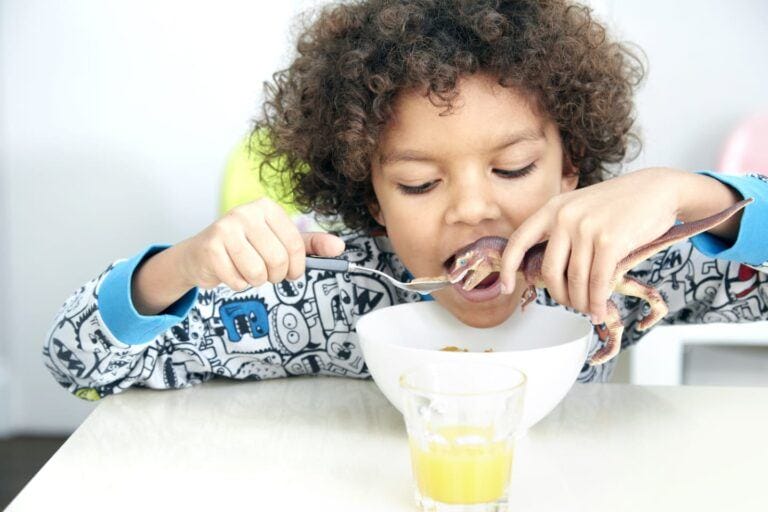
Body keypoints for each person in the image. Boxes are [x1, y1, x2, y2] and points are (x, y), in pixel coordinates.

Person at [44, 0, 768, 400]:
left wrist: (697, 193)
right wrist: (178, 267)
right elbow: (76, 361)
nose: (471, 209)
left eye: (514, 167)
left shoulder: (609, 275)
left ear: (571, 168)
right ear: (370, 196)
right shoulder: (324, 299)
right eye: (420, 184)